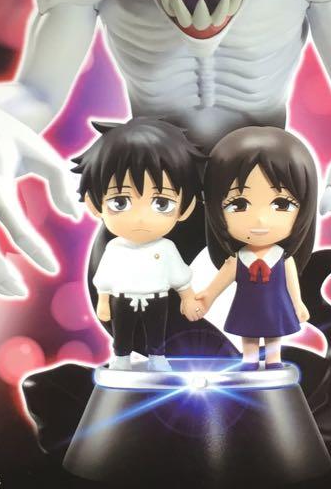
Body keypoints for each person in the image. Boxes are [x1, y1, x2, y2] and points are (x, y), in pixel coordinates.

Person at [74, 118, 205, 371]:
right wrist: (103, 302)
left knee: (157, 331)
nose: (141, 218)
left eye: (161, 203)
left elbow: (180, 278)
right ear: (94, 204)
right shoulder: (114, 249)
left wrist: (188, 299)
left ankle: (157, 357)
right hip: (121, 299)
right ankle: (122, 357)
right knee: (122, 331)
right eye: (120, 202)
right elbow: (104, 279)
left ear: (185, 208)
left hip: (158, 299)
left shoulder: (166, 248)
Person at [193, 126, 316, 370]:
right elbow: (217, 285)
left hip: (276, 307)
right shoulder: (237, 260)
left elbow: (293, 288)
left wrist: (299, 304)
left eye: (281, 204)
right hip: (247, 307)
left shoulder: (284, 259)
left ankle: (273, 359)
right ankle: (249, 359)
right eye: (238, 204)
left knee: (274, 333)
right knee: (247, 333)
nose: (260, 219)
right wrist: (205, 298)